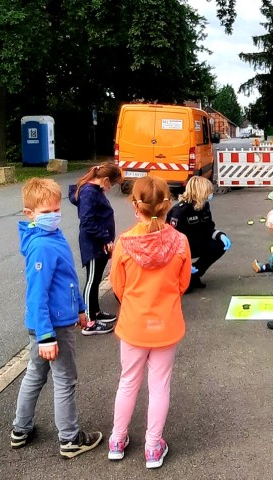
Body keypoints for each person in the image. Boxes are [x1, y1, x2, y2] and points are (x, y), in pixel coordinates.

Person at [10, 178, 103, 457]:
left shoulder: (52, 236)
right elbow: (37, 295)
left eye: (55, 209)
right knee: (64, 379)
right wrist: (47, 336)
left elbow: (67, 281)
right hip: (52, 328)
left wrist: (81, 309)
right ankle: (70, 439)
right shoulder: (41, 246)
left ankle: (21, 429)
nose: (53, 216)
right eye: (45, 212)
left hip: (51, 322)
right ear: (30, 214)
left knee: (35, 375)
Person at [107, 176, 191, 469]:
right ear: (168, 205)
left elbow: (118, 286)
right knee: (159, 386)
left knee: (127, 382)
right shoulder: (180, 242)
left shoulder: (125, 243)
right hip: (166, 324)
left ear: (135, 204)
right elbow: (183, 284)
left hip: (133, 324)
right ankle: (153, 447)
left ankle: (117, 440)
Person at [69, 163, 123, 335]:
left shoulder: (95, 190)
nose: (110, 188)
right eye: (112, 185)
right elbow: (87, 222)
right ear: (105, 180)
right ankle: (89, 322)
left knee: (97, 278)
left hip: (99, 243)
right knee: (92, 280)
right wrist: (105, 238)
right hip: (93, 244)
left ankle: (96, 311)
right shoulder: (89, 193)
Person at [167, 176, 231, 292]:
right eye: (209, 191)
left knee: (219, 244)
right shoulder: (180, 211)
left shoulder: (204, 206)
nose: (211, 194)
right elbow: (171, 241)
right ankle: (182, 276)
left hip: (197, 243)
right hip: (181, 249)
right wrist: (184, 263)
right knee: (185, 290)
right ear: (201, 192)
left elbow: (209, 228)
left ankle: (195, 274)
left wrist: (220, 235)